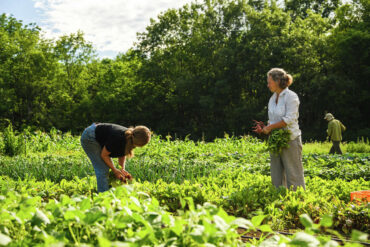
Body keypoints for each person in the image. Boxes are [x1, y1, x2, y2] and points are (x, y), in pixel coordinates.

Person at [261, 68, 305, 191]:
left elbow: (289, 119)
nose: (268, 84)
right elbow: (273, 119)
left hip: (290, 138)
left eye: (270, 81)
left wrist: (270, 127)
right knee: (276, 172)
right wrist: (266, 127)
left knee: (293, 172)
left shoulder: (291, 96)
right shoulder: (272, 98)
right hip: (275, 139)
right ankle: (279, 196)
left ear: (278, 81)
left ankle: (297, 199)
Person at [80, 123, 151, 193]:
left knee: (109, 169)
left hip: (96, 134)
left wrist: (122, 169)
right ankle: (103, 198)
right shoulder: (118, 137)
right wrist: (114, 170)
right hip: (90, 137)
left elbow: (122, 153)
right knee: (103, 169)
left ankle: (108, 192)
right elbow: (104, 155)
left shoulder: (130, 138)